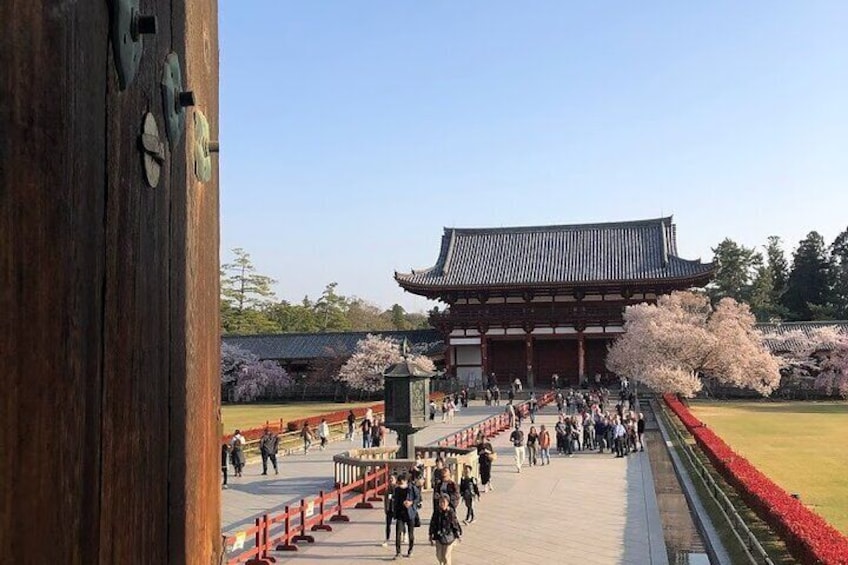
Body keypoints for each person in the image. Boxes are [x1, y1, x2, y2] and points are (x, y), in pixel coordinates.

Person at [429, 493, 462, 565]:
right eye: (440, 502)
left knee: (446, 556)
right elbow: (433, 522)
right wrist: (430, 534)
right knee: (439, 555)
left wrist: (458, 534)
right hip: (438, 536)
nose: (442, 504)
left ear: (448, 503)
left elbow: (455, 524)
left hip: (449, 536)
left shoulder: (451, 512)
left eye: (444, 502)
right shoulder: (437, 512)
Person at [392, 473, 420, 559]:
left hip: (410, 513)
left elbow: (418, 498)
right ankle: (398, 552)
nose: (400, 485)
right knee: (398, 533)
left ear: (406, 481)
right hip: (400, 513)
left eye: (402, 483)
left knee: (411, 533)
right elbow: (395, 500)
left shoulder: (412, 488)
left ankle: (410, 550)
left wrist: (411, 502)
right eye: (399, 483)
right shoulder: (397, 490)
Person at [381, 474, 397, 547]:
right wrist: (385, 509)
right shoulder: (387, 490)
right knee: (388, 525)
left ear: (395, 480)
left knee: (400, 524)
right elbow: (385, 500)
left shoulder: (397, 489)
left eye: (392, 479)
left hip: (396, 509)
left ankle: (404, 534)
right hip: (389, 509)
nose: (391, 480)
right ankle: (387, 538)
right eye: (390, 479)